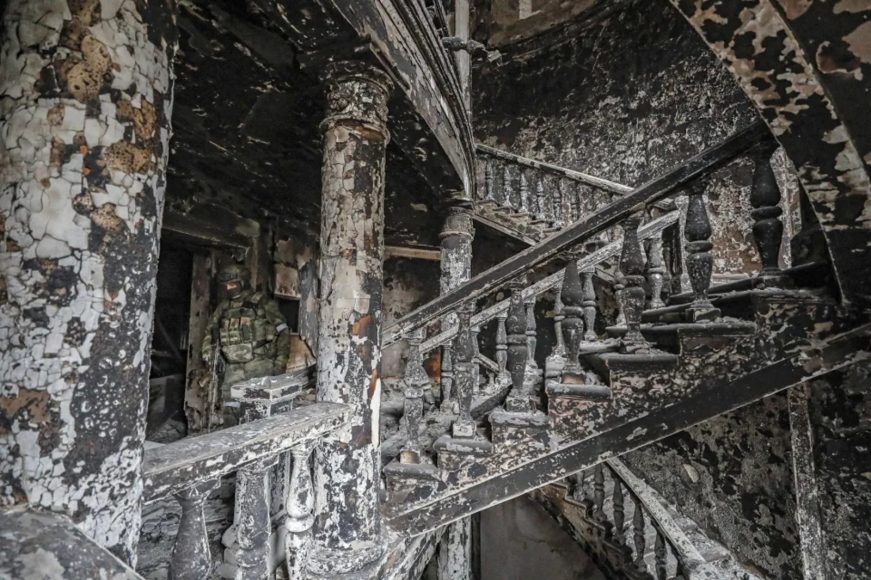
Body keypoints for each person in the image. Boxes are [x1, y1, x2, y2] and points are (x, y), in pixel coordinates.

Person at [201, 263, 290, 420]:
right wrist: (208, 352)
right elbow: (210, 330)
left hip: (258, 364)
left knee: (258, 409)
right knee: (231, 408)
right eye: (225, 285)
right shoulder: (224, 306)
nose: (229, 288)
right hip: (232, 366)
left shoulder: (262, 302)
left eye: (232, 284)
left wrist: (280, 363)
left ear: (243, 282)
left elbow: (283, 331)